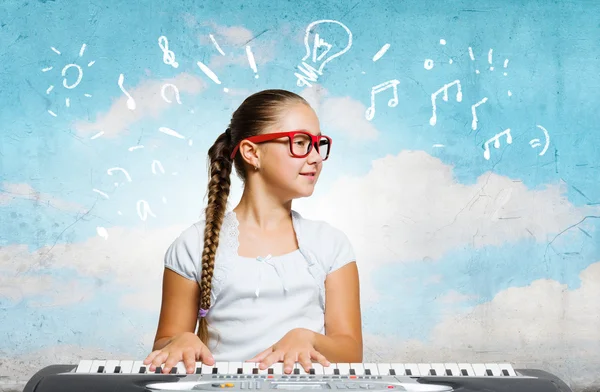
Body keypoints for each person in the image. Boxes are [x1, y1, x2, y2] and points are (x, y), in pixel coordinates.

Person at [143, 89, 362, 376]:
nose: (316, 158)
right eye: (300, 142)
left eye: (318, 144)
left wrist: (308, 338)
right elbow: (165, 341)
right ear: (251, 152)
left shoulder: (331, 245)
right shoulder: (192, 245)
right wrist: (181, 340)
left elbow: (351, 353)